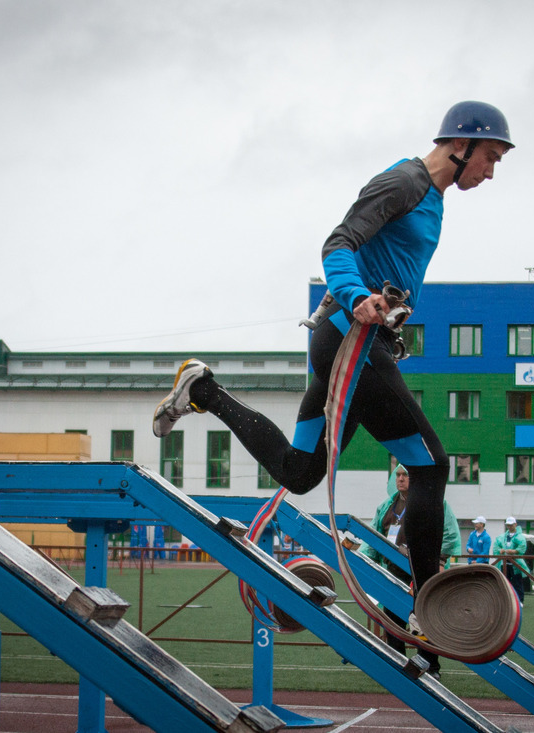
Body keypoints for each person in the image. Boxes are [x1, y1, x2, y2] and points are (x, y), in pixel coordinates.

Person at [152, 102, 514, 606]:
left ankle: (204, 390)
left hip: (348, 343)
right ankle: (429, 609)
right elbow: (338, 243)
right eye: (490, 157)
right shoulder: (404, 182)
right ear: (460, 144)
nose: (491, 172)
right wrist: (356, 296)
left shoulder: (431, 197)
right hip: (353, 341)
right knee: (430, 466)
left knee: (300, 473)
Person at [360, 464, 461, 679]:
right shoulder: (386, 506)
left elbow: (450, 534)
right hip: (393, 571)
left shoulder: (434, 502)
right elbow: (374, 536)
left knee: (423, 619)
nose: (401, 479)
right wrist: (363, 561)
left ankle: (429, 666)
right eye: (397, 475)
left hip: (423, 570)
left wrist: (440, 560)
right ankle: (397, 664)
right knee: (392, 618)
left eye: (405, 474)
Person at [493, 517, 531, 603]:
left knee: (517, 583)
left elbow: (522, 548)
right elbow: (496, 547)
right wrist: (500, 550)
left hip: (516, 564)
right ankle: (506, 601)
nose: (509, 527)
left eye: (511, 525)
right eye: (508, 525)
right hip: (504, 564)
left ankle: (519, 601)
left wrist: (514, 551)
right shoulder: (502, 537)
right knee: (505, 583)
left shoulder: (520, 537)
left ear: (515, 525)